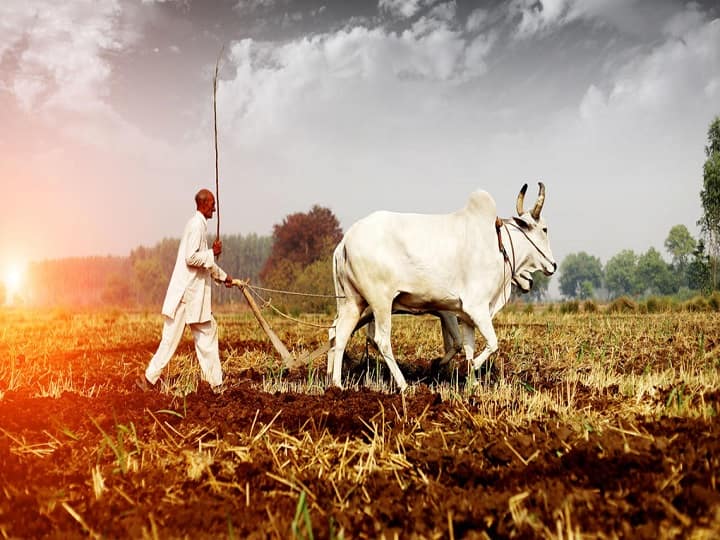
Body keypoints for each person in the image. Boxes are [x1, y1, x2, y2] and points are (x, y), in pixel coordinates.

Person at [138, 188, 233, 393]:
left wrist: (224, 277)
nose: (215, 208)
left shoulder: (199, 226)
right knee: (170, 340)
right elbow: (191, 258)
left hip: (194, 297)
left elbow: (204, 262)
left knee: (208, 333)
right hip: (186, 296)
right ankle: (148, 380)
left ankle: (216, 385)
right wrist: (212, 252)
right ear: (204, 204)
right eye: (212, 204)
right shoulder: (196, 226)